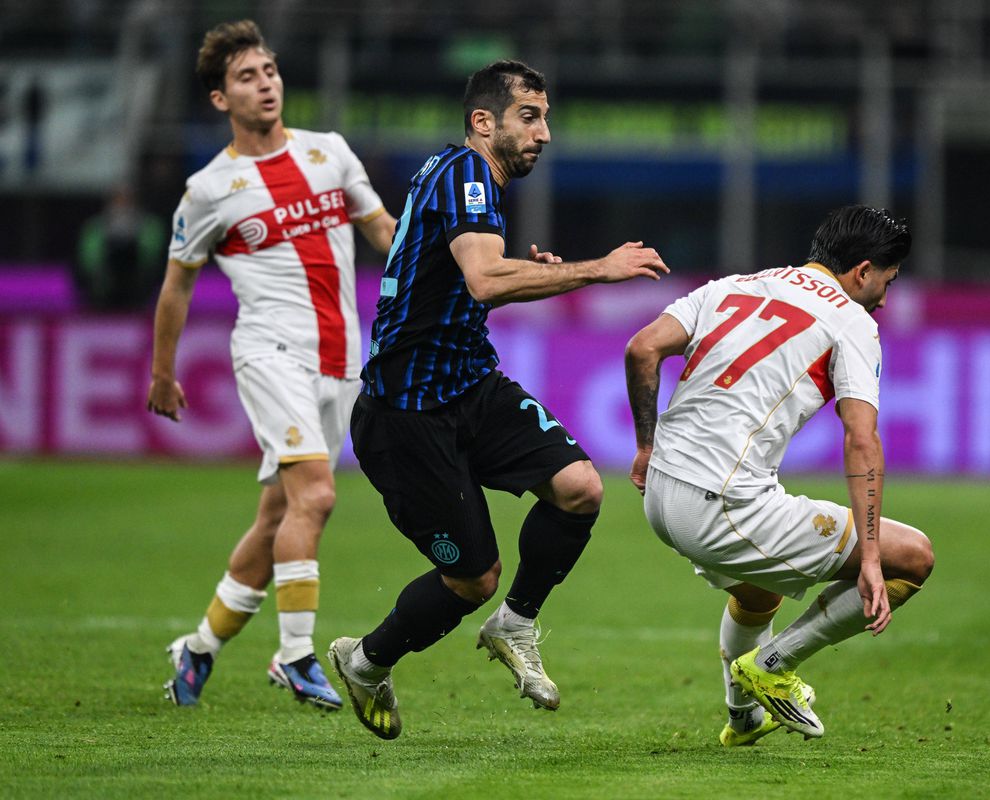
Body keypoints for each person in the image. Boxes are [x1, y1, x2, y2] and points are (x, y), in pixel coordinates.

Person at [326, 60, 669, 741]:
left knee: (578, 488)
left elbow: (459, 271)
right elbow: (484, 280)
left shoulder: (457, 175)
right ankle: (365, 661)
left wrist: (534, 275)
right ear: (484, 121)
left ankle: (514, 625)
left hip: (469, 386)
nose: (544, 132)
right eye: (529, 117)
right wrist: (598, 268)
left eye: (546, 118)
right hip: (406, 416)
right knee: (472, 578)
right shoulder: (468, 172)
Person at [147, 20, 397, 711]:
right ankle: (293, 656)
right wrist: (162, 372)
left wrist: (449, 262)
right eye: (247, 77)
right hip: (269, 352)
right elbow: (178, 283)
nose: (266, 84)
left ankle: (198, 649)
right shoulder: (209, 190)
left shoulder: (330, 153)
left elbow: (383, 232)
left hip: (342, 359)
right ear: (220, 99)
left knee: (276, 520)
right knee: (316, 495)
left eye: (270, 71)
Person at [625, 205, 934, 746]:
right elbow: (862, 440)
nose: (885, 298)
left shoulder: (734, 285)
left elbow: (642, 348)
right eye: (886, 281)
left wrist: (647, 446)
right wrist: (868, 556)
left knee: (760, 590)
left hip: (660, 495)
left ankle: (742, 718)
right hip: (722, 502)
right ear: (862, 272)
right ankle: (772, 664)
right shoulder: (852, 321)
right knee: (911, 556)